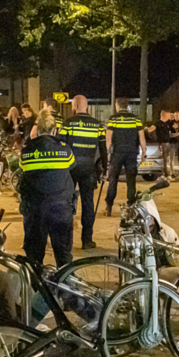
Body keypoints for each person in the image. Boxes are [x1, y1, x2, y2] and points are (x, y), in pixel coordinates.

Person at [19, 109, 75, 266]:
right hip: (60, 208)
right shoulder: (64, 150)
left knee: (34, 255)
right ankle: (64, 287)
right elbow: (72, 165)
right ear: (54, 130)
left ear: (37, 130)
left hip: (35, 209)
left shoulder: (27, 150)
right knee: (63, 254)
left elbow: (23, 168)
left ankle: (36, 287)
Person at [59, 94, 108, 249]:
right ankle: (87, 240)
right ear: (86, 106)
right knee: (88, 204)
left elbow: (61, 146)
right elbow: (103, 149)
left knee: (67, 203)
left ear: (75, 105)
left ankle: (66, 240)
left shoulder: (68, 123)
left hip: (70, 169)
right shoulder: (97, 125)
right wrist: (106, 168)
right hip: (89, 169)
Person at [104, 97, 146, 217]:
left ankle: (109, 206)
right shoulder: (136, 119)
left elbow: (108, 139)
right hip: (132, 153)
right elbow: (142, 138)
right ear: (127, 106)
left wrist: (106, 154)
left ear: (117, 105)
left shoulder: (113, 119)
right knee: (131, 181)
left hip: (117, 153)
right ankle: (131, 207)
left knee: (113, 179)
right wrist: (144, 153)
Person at [146, 109, 174, 178]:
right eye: (168, 114)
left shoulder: (169, 123)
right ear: (163, 114)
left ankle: (168, 174)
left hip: (167, 144)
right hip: (160, 144)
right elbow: (150, 129)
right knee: (162, 159)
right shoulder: (157, 123)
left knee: (167, 159)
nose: (169, 115)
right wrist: (146, 129)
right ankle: (164, 174)